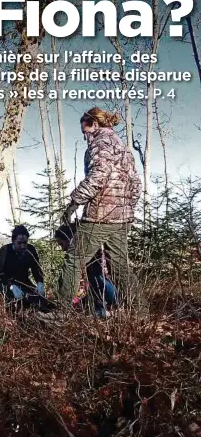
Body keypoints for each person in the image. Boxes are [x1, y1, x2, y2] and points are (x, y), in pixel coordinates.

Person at [57, 107, 146, 314]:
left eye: (85, 131)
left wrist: (75, 201)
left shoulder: (100, 142)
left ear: (94, 125)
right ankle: (141, 312)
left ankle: (61, 312)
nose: (85, 136)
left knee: (75, 259)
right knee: (120, 267)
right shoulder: (123, 147)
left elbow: (98, 175)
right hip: (122, 218)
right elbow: (136, 183)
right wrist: (126, 208)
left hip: (100, 216)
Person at [55, 223, 117, 317]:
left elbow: (98, 282)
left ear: (71, 239)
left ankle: (102, 310)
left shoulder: (93, 257)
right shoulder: (84, 256)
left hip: (109, 295)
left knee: (97, 278)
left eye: (62, 244)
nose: (63, 249)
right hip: (98, 295)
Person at [0, 225, 47, 311]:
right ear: (13, 241)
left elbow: (36, 269)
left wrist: (40, 283)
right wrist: (11, 286)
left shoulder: (30, 250)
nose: (22, 246)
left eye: (25, 243)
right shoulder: (5, 251)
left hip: (23, 282)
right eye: (19, 243)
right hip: (5, 283)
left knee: (39, 299)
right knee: (14, 302)